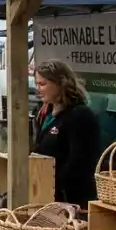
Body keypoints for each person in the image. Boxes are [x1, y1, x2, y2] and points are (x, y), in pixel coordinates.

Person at [33, 60, 100, 208]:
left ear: (60, 83)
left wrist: (55, 183)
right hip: (45, 191)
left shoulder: (80, 115)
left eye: (42, 84)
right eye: (36, 84)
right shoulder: (44, 113)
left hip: (71, 198)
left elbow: (79, 161)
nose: (38, 89)